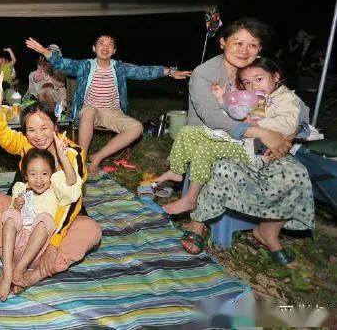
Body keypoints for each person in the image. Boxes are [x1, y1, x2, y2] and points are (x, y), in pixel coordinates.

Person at [181, 18, 314, 267]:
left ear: (259, 49)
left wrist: (288, 136)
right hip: (212, 139)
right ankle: (197, 222)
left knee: (296, 172)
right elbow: (213, 118)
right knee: (224, 168)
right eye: (238, 43)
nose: (245, 50)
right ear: (223, 42)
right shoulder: (205, 74)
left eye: (253, 45)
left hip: (259, 144)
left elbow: (300, 112)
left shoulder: (260, 71)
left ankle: (268, 232)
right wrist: (261, 133)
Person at [0, 72, 101, 295]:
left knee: (91, 229)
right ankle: (9, 266)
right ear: (25, 132)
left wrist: (54, 243)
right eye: (31, 130)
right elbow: (4, 136)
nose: (38, 136)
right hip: (25, 218)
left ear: (55, 125)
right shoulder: (27, 145)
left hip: (55, 221)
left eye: (44, 128)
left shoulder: (72, 153)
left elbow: (72, 203)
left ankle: (33, 275)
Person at [156, 57, 302, 215]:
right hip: (241, 140)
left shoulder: (287, 99)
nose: (253, 86)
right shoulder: (260, 98)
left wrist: (257, 125)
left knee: (204, 150)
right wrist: (221, 100)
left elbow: (288, 125)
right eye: (247, 82)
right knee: (188, 131)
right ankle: (177, 171)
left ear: (276, 76)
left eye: (259, 79)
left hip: (257, 151)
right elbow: (238, 114)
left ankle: (191, 199)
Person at [26, 35, 191, 174]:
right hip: (90, 111)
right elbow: (64, 64)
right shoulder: (85, 66)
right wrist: (45, 52)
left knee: (137, 128)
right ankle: (81, 159)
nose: (105, 47)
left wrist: (170, 72)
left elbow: (143, 71)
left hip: (113, 112)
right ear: (94, 48)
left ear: (114, 51)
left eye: (110, 44)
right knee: (89, 112)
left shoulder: (119, 68)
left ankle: (97, 157)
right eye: (101, 43)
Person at [0, 145, 81, 301]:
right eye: (33, 174)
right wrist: (16, 206)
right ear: (25, 176)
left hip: (40, 248)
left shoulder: (56, 189)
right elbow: (11, 222)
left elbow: (72, 182)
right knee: (10, 214)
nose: (39, 180)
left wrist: (63, 158)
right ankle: (7, 270)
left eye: (44, 174)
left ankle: (20, 268)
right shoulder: (21, 189)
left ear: (52, 174)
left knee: (44, 218)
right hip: (16, 245)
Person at [24, 45, 67, 110]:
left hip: (57, 95)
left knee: (48, 90)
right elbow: (36, 79)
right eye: (49, 53)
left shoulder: (60, 68)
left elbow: (61, 84)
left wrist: (51, 75)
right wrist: (39, 67)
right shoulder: (44, 67)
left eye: (53, 54)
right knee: (40, 93)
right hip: (43, 94)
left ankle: (54, 113)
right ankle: (45, 111)